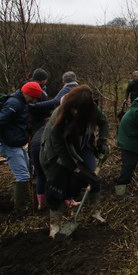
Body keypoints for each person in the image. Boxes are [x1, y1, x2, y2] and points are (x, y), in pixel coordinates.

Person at [39, 85, 109, 237]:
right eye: (74, 109)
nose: (76, 112)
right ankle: (55, 225)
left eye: (79, 110)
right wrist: (74, 168)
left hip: (82, 146)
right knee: (57, 185)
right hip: (57, 152)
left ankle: (95, 212)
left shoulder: (91, 109)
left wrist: (103, 140)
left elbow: (104, 122)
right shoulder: (59, 115)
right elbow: (58, 145)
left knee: (93, 178)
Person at [0, 82, 42, 213]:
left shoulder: (21, 103)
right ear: (28, 94)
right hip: (10, 145)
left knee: (28, 172)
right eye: (34, 97)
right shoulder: (14, 104)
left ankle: (17, 201)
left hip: (17, 144)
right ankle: (20, 209)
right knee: (23, 176)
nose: (34, 101)